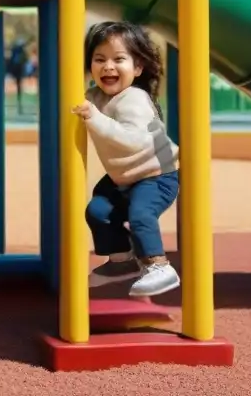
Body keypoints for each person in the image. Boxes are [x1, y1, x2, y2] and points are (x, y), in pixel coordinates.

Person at [71, 21, 180, 297]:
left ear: (138, 68)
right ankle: (121, 262)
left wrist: (94, 118)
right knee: (97, 211)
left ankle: (159, 266)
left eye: (119, 59)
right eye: (99, 59)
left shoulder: (135, 99)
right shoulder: (94, 96)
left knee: (141, 214)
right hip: (124, 176)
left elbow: (133, 141)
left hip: (157, 173)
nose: (108, 66)